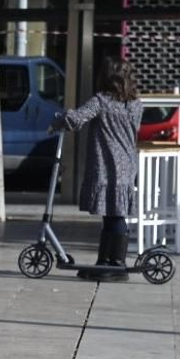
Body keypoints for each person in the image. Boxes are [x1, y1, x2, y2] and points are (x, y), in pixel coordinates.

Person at [57, 56, 143, 280]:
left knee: (114, 216)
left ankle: (116, 266)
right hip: (127, 164)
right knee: (113, 214)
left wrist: (64, 116)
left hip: (107, 164)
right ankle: (105, 262)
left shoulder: (101, 101)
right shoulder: (135, 104)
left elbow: (77, 119)